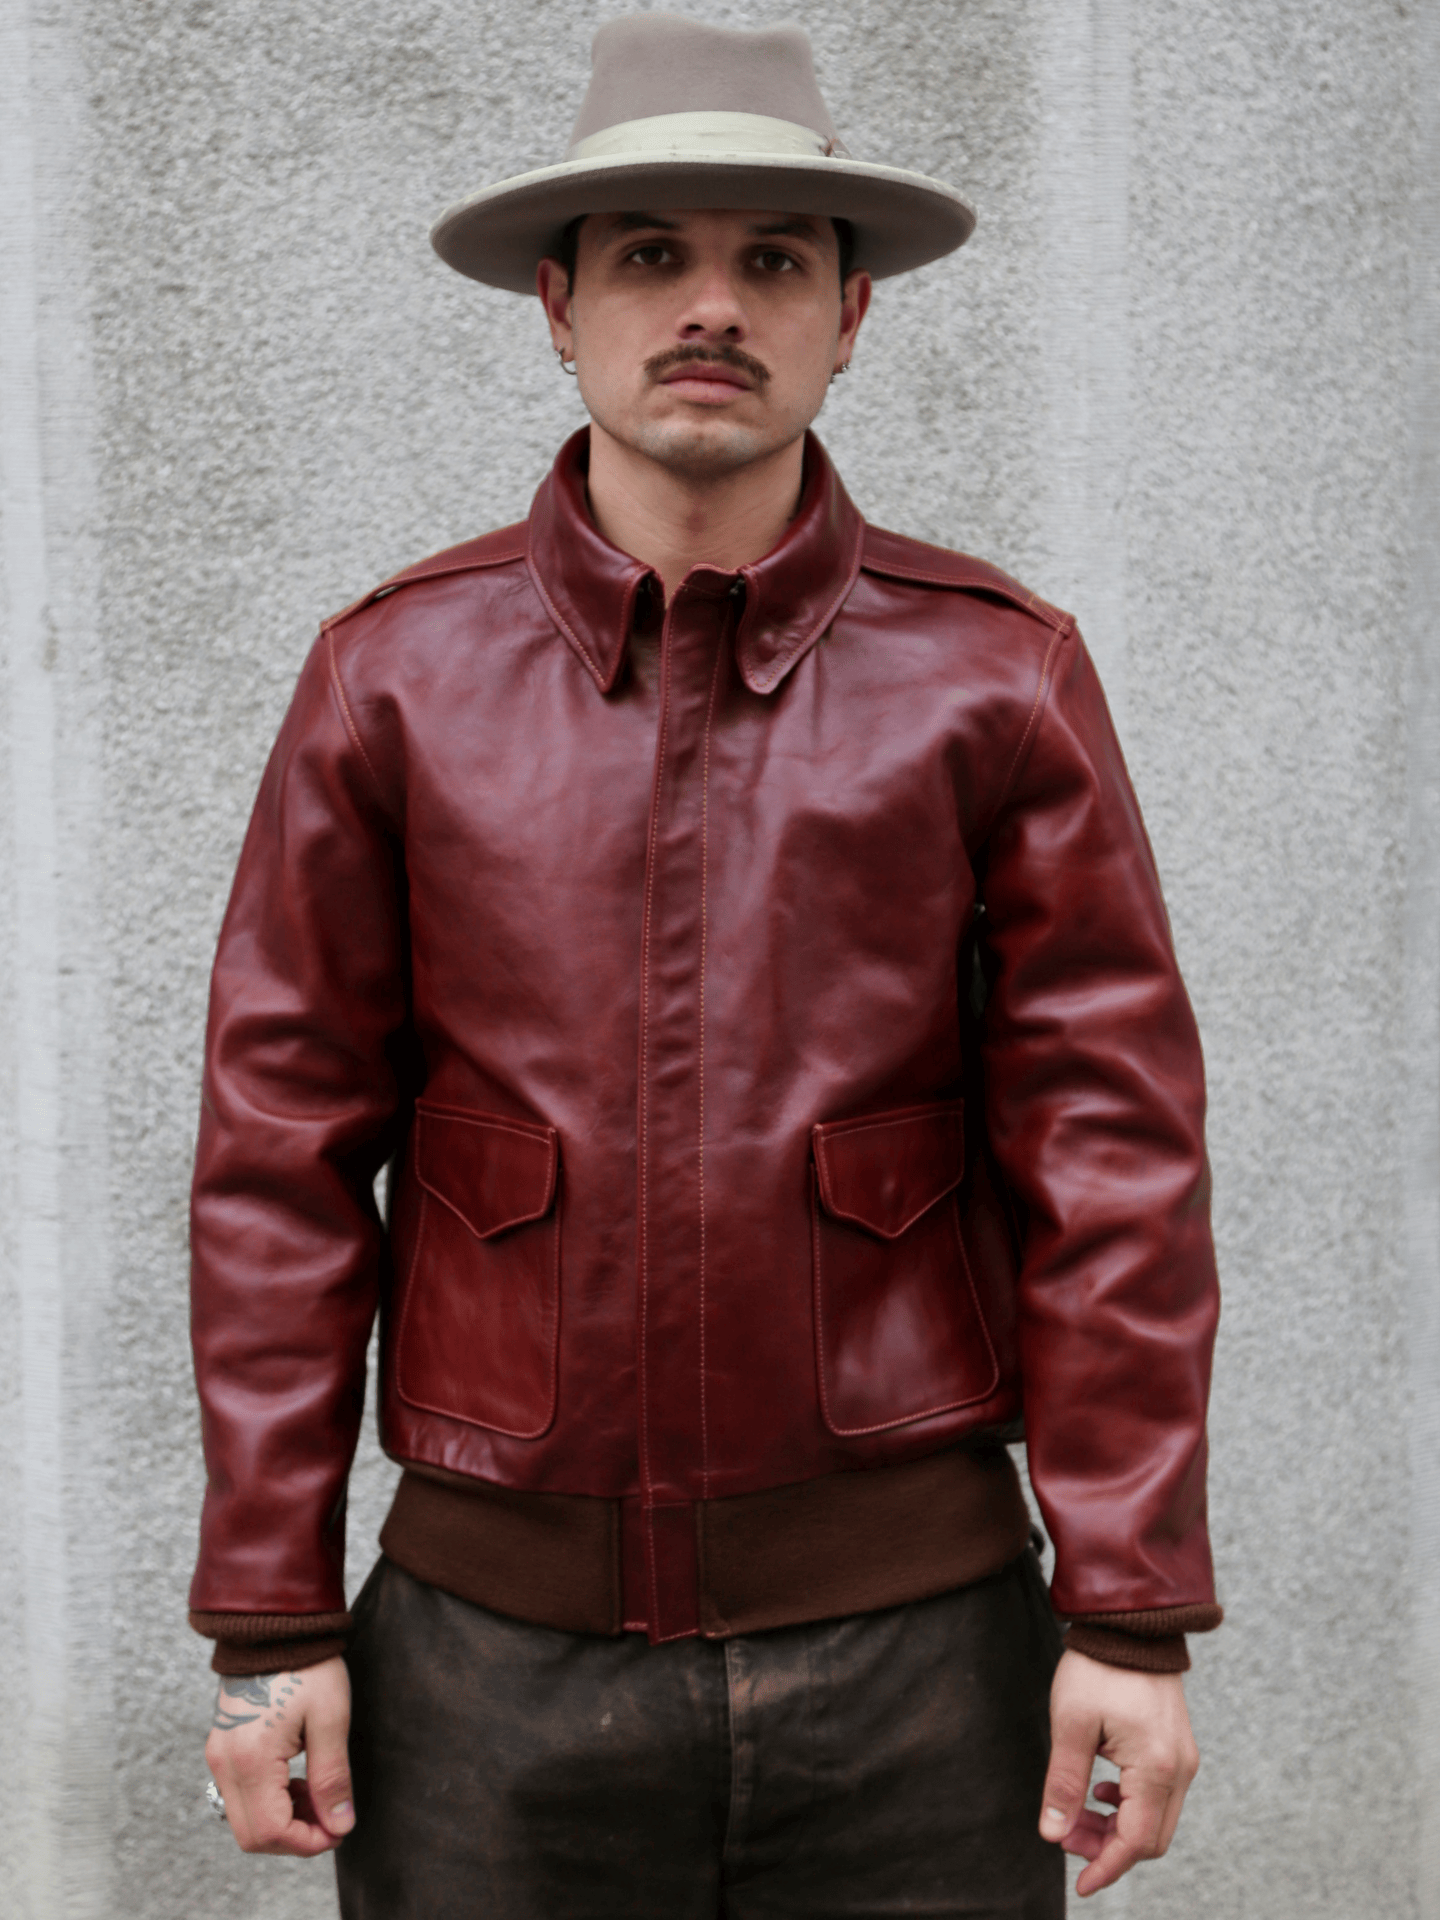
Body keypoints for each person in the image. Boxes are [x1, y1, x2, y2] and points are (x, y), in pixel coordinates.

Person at [190, 13, 1221, 1915]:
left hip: (918, 1659)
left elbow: (1116, 1161)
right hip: (488, 1666)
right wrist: (269, 1614)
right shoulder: (391, 679)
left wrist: (1130, 1613)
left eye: (777, 261)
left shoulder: (997, 679)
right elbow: (277, 1166)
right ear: (558, 306)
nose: (714, 306)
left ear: (853, 316)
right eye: (654, 253)